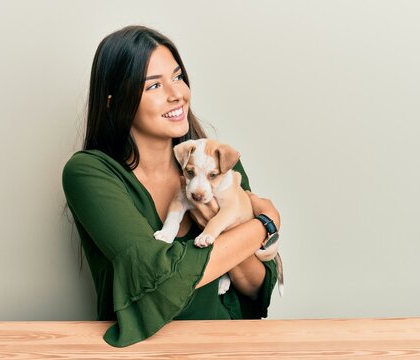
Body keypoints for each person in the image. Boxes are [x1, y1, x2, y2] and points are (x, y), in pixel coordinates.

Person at [62, 25, 281, 347]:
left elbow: (253, 288)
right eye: (153, 85)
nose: (177, 93)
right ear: (114, 100)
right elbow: (158, 281)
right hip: (141, 349)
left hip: (227, 344)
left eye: (178, 77)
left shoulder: (217, 164)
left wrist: (228, 234)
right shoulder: (90, 173)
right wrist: (264, 224)